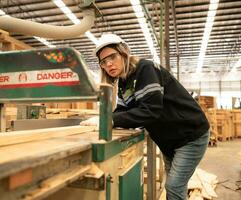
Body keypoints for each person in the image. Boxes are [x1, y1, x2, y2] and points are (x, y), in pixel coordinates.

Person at [81, 33, 210, 200]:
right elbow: (121, 110)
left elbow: (151, 110)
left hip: (190, 136)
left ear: (124, 52)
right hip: (170, 140)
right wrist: (103, 120)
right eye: (103, 62)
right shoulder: (123, 83)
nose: (108, 64)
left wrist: (110, 121)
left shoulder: (145, 69)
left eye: (112, 57)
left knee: (174, 186)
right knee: (174, 185)